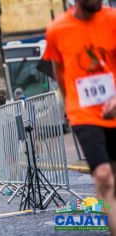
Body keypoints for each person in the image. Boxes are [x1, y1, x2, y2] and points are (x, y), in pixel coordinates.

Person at [44, 1, 116, 234]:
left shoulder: (112, 19)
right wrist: (70, 107)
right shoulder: (57, 29)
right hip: (84, 113)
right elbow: (59, 70)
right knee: (104, 176)